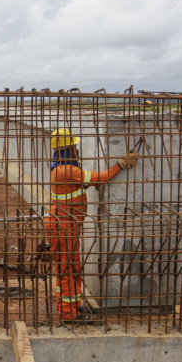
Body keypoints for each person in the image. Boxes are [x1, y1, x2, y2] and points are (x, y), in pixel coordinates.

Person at [46, 128, 139, 324]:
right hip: (63, 226)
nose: (77, 151)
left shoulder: (62, 169)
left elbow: (79, 184)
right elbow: (98, 177)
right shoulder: (67, 170)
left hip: (67, 224)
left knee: (72, 267)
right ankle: (68, 314)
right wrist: (120, 165)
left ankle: (72, 305)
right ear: (67, 148)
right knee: (67, 270)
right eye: (73, 147)